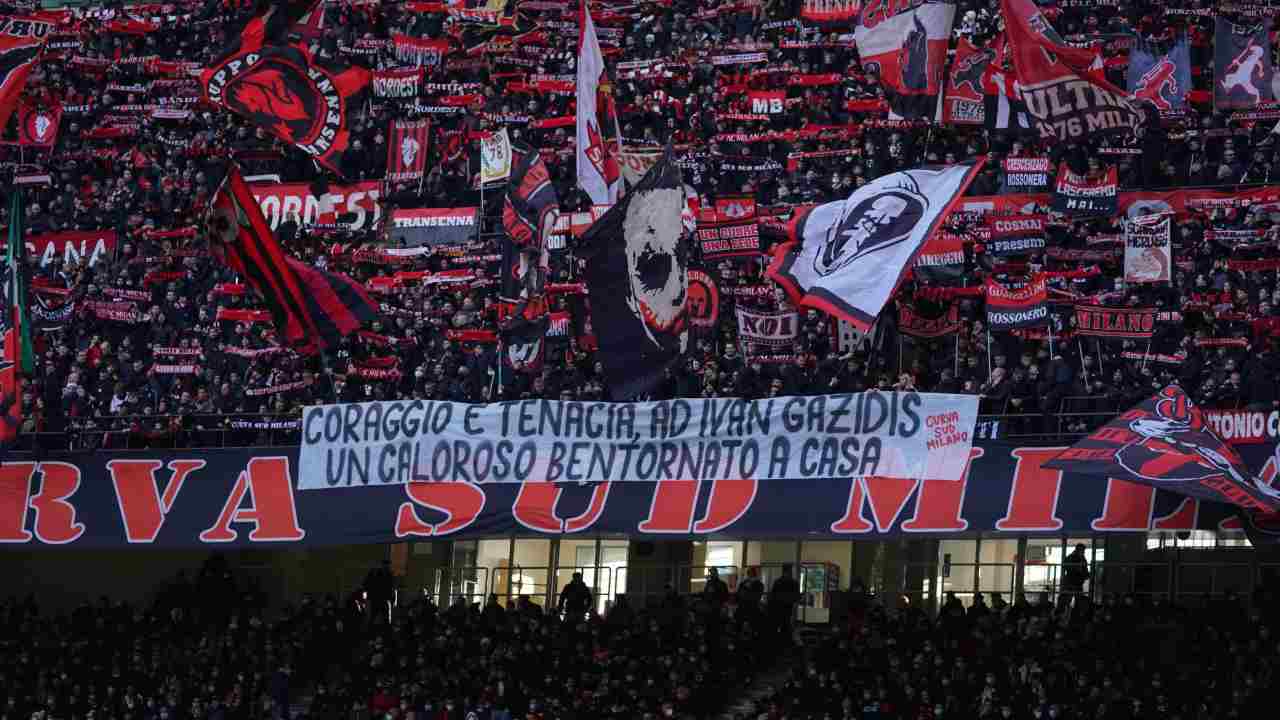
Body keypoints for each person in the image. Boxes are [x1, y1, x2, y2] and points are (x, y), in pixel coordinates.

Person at [768, 566, 800, 639]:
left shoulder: (778, 581)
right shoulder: (793, 582)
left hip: (777, 607)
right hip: (787, 607)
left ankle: (776, 641)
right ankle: (785, 641)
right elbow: (796, 597)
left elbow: (773, 595)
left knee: (776, 626)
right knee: (786, 624)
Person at [1061, 543, 1091, 608]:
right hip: (1072, 582)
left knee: (1077, 601)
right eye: (1082, 550)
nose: (1083, 552)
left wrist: (1086, 574)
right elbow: (1067, 567)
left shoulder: (1081, 558)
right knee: (1068, 600)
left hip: (1076, 583)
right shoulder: (1072, 557)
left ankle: (1073, 613)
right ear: (1078, 550)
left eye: (1083, 551)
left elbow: (1084, 569)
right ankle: (1066, 614)